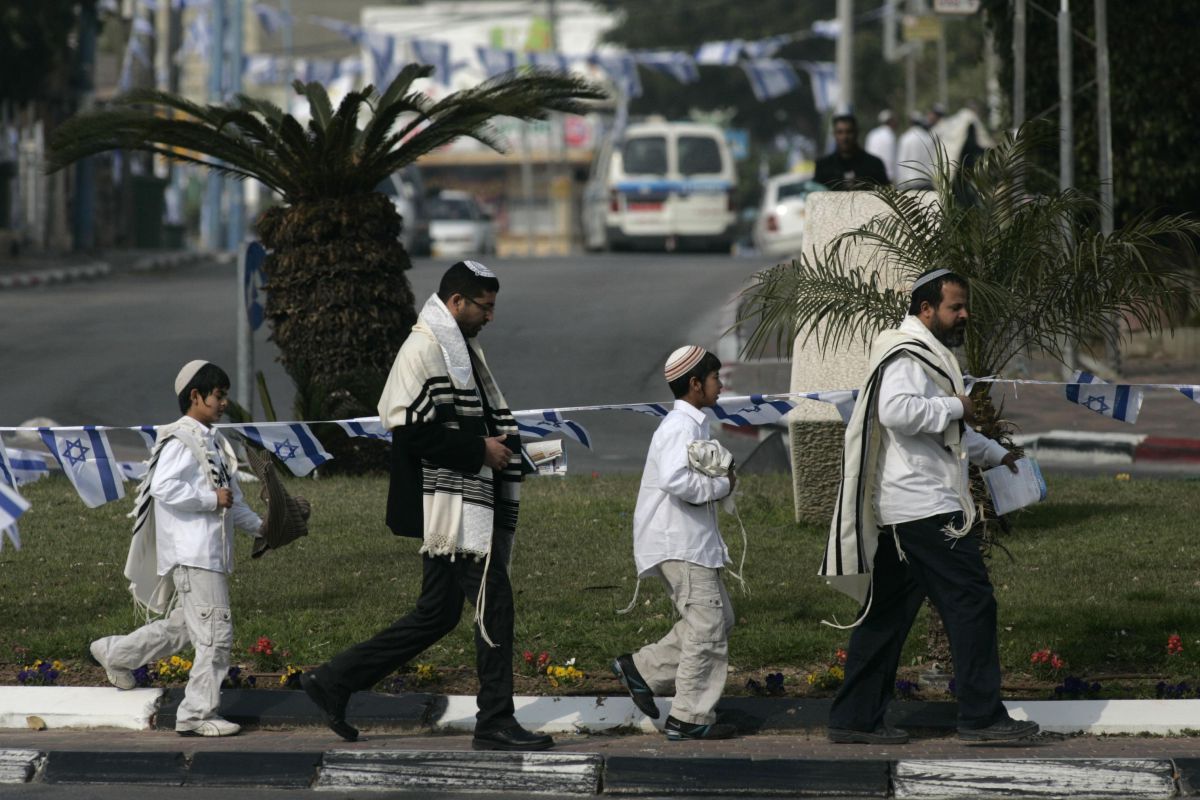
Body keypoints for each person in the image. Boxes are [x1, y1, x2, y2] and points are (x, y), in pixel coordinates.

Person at [299, 261, 552, 752]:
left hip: (458, 500)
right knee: (491, 604)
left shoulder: (459, 348)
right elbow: (411, 431)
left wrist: (501, 447)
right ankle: (495, 720)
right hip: (452, 508)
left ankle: (333, 681)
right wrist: (481, 450)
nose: (490, 317)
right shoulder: (424, 348)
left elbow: (465, 421)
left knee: (436, 614)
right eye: (485, 306)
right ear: (456, 302)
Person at [821, 269, 1040, 745]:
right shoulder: (906, 354)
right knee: (971, 603)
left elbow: (949, 438)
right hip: (926, 509)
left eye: (964, 306)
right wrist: (957, 407)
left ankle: (853, 719)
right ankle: (982, 719)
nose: (964, 315)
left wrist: (998, 455)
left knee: (885, 618)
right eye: (954, 307)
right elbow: (896, 412)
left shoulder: (929, 355)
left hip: (909, 510)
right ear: (926, 310)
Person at [89, 361, 264, 737]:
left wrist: (266, 528)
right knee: (216, 636)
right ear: (196, 397)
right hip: (193, 554)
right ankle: (196, 715)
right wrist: (209, 498)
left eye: (225, 395)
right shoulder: (180, 440)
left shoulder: (214, 444)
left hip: (211, 555)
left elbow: (233, 503)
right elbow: (164, 487)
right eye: (218, 395)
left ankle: (115, 653)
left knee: (183, 629)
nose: (224, 402)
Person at [611, 346, 738, 741]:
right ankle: (689, 716)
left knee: (720, 619)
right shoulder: (679, 427)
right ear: (696, 384)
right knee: (708, 627)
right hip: (678, 542)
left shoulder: (692, 425)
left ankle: (642, 669)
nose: (721, 385)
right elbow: (676, 480)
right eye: (715, 378)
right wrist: (723, 484)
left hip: (688, 541)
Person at [814, 114, 889, 191]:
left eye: (849, 132)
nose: (844, 137)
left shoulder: (874, 164)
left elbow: (886, 193)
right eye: (840, 132)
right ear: (834, 134)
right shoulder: (823, 166)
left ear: (856, 133)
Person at [895, 110, 939, 190]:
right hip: (927, 182)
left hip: (909, 182)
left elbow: (901, 161)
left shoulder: (906, 138)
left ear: (910, 122)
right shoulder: (928, 138)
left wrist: (899, 183)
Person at [864, 109, 899, 184]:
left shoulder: (872, 134)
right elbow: (893, 159)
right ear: (891, 121)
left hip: (871, 176)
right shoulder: (891, 135)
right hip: (887, 177)